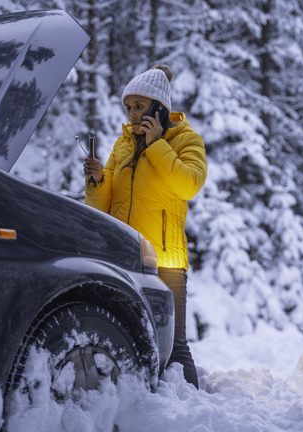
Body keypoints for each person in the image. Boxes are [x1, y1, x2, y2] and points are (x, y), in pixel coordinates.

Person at [83, 64, 207, 388]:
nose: (132, 114)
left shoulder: (184, 139)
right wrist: (97, 181)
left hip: (164, 263)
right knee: (132, 342)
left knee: (175, 349)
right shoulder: (122, 145)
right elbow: (102, 207)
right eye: (128, 107)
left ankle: (197, 413)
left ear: (158, 107)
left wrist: (156, 145)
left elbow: (190, 184)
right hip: (124, 260)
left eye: (138, 106)